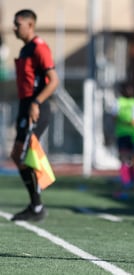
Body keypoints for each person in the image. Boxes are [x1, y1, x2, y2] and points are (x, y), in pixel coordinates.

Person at [9, 9, 59, 221]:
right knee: (17, 155)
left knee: (26, 154)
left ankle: (37, 205)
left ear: (30, 24)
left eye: (18, 23)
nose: (15, 28)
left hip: (37, 106)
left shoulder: (40, 47)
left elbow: (54, 80)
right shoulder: (25, 49)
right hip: (25, 105)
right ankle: (36, 205)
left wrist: (37, 102)